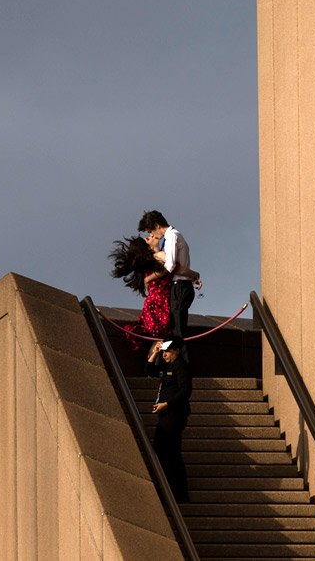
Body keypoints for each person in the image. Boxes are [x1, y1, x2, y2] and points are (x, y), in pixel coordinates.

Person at [138, 211, 202, 355]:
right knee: (174, 331)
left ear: (156, 225)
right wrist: (194, 275)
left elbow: (170, 266)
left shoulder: (172, 236)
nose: (153, 236)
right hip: (179, 286)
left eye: (150, 232)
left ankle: (182, 367)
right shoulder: (170, 237)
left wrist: (149, 278)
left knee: (178, 333)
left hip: (179, 287)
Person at [145, 337, 192, 503]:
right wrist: (155, 353)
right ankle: (174, 492)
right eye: (163, 351)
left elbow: (186, 391)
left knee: (170, 452)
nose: (165, 354)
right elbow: (150, 370)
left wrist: (167, 404)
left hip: (175, 414)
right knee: (164, 451)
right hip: (166, 415)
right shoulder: (168, 367)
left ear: (177, 350)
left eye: (167, 351)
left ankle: (177, 493)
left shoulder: (181, 366)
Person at [109, 237, 172, 348]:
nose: (152, 236)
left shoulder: (148, 263)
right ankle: (152, 362)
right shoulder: (159, 256)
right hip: (160, 302)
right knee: (161, 340)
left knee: (158, 341)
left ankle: (151, 362)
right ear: (148, 247)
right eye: (148, 238)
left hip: (153, 302)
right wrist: (193, 277)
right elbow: (172, 267)